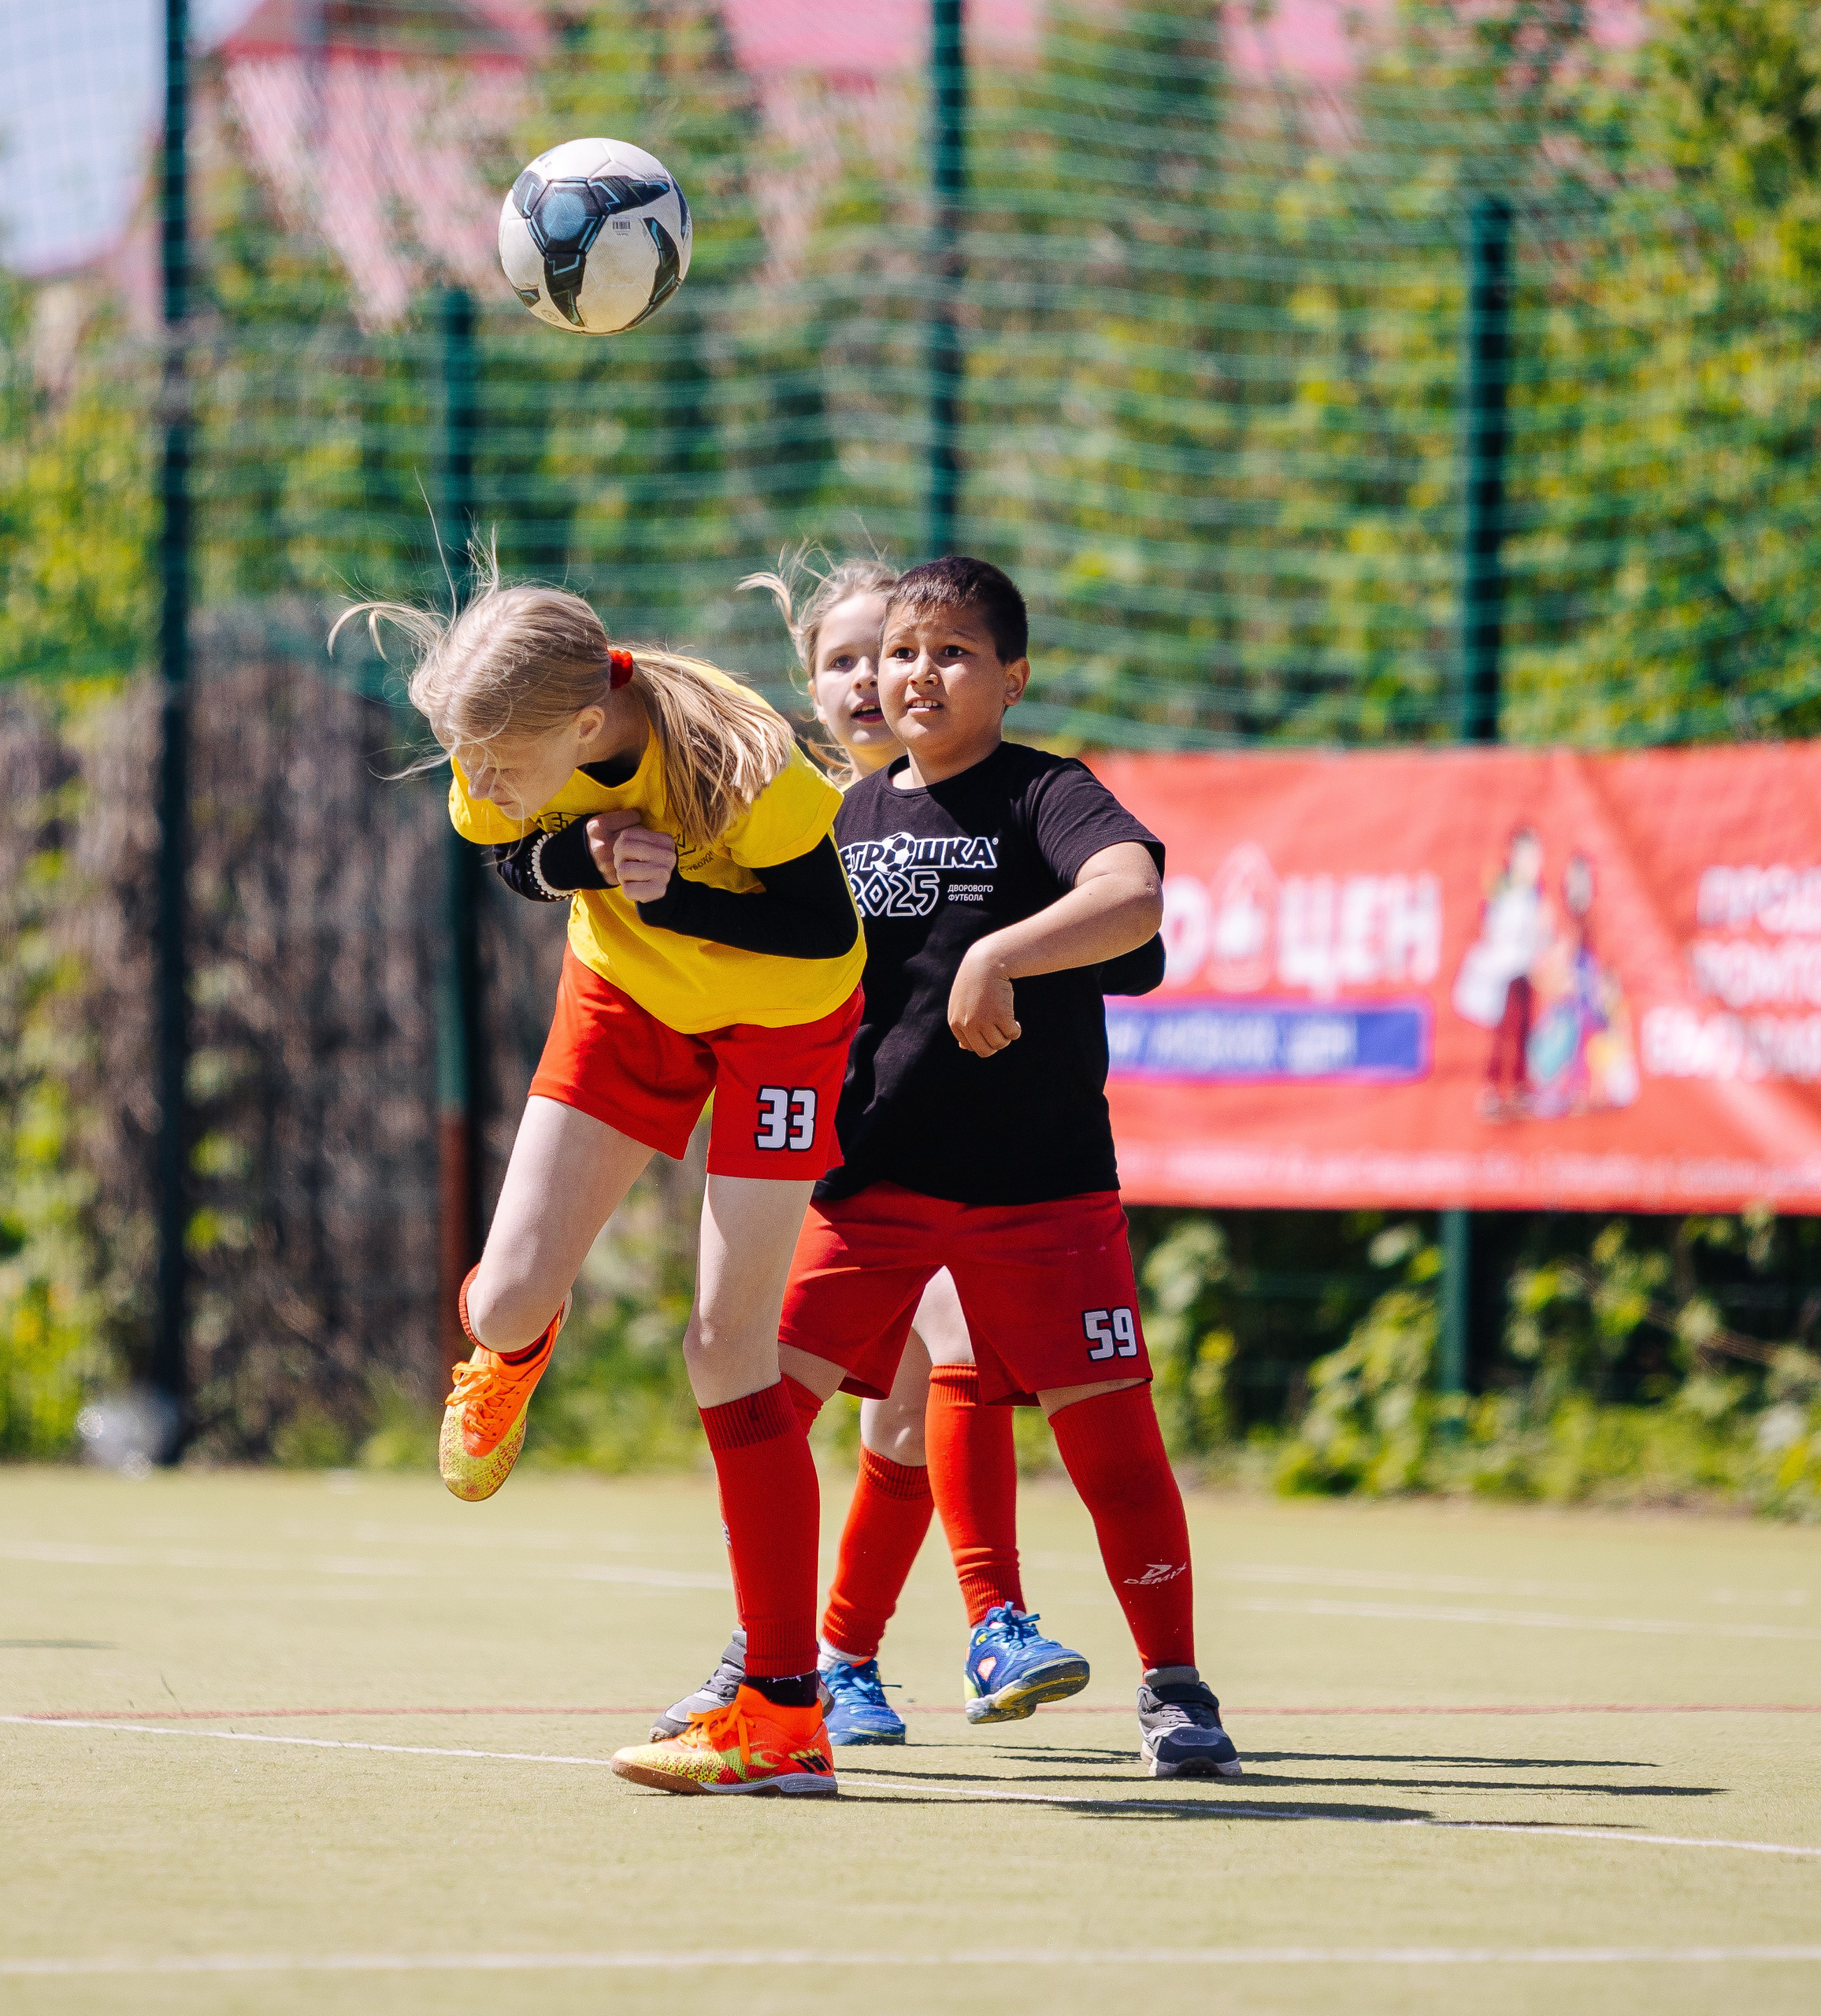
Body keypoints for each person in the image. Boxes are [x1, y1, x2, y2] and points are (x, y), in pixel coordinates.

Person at [668, 554, 1240, 1780]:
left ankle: (1176, 1692)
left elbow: (1133, 899)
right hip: (870, 1183)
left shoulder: (1049, 795)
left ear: (1013, 678)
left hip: (1039, 1186)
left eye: (954, 654)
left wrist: (1001, 959)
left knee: (1116, 1451)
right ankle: (767, 1669)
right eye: (901, 654)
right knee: (763, 1410)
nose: (917, 674)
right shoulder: (847, 817)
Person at [335, 565, 865, 1798]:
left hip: (783, 1019)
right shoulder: (494, 756)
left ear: (583, 726)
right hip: (627, 998)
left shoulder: (748, 766)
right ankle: (514, 1356)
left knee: (726, 1344)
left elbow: (823, 936)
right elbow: (519, 861)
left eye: (503, 764)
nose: (482, 784)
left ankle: (785, 1714)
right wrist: (576, 851)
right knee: (507, 1295)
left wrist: (674, 887)